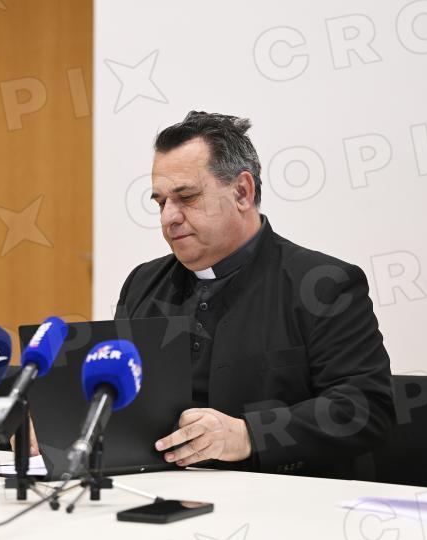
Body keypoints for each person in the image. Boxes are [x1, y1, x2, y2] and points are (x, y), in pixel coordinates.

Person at [113, 111, 395, 480]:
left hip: (285, 496)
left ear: (242, 192)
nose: (168, 218)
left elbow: (366, 409)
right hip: (159, 492)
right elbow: (120, 397)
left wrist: (248, 435)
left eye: (187, 197)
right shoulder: (143, 283)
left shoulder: (323, 284)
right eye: (160, 202)